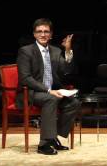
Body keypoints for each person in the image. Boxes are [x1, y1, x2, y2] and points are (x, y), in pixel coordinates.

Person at [16, 18, 81, 155]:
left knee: (73, 103)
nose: (43, 34)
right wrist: (48, 91)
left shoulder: (56, 51)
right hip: (32, 92)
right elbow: (25, 78)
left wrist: (68, 50)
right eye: (39, 31)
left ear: (51, 34)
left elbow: (67, 70)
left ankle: (53, 137)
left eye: (46, 31)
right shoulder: (26, 51)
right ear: (34, 34)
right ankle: (43, 143)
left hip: (52, 90)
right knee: (50, 99)